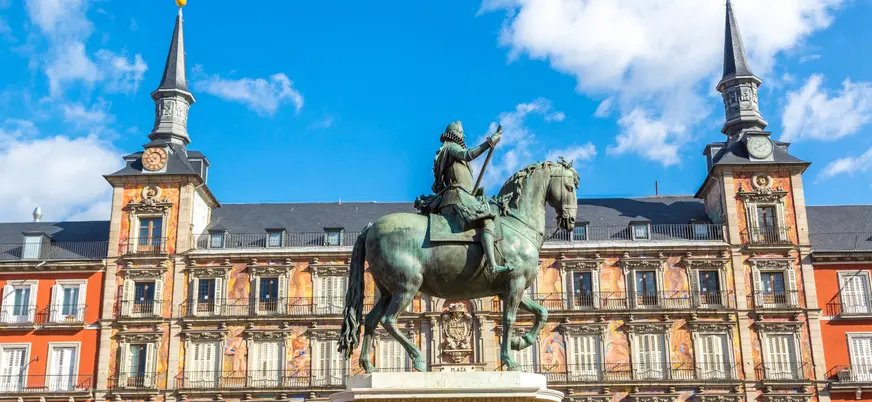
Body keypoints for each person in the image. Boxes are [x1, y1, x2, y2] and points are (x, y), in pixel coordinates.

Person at [429, 121, 509, 273]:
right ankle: (492, 265)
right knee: (487, 221)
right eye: (461, 132)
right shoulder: (452, 147)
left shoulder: (449, 150)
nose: (464, 135)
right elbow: (468, 155)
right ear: (454, 134)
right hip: (456, 198)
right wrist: (489, 142)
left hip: (461, 195)